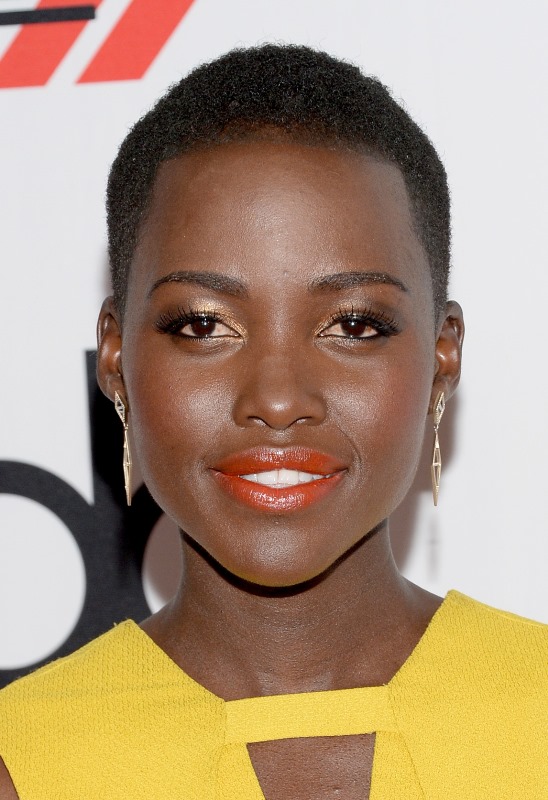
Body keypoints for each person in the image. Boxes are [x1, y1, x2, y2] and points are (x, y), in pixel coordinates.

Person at [0, 44, 545, 799]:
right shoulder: (26, 763)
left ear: (442, 356)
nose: (280, 400)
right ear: (117, 359)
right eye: (202, 325)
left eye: (354, 325)